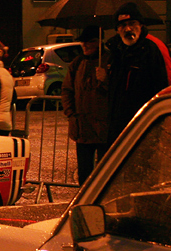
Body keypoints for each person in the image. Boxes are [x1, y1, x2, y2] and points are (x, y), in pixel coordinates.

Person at [100, 2, 171, 145]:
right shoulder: (116, 52)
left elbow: (165, 87)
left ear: (141, 25)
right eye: (122, 25)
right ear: (117, 29)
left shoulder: (152, 50)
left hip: (143, 127)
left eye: (132, 23)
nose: (128, 29)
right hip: (118, 128)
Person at [62, 25, 110, 184]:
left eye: (90, 42)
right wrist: (71, 114)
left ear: (99, 42)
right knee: (84, 173)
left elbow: (117, 92)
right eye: (83, 42)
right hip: (82, 127)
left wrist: (105, 80)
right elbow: (67, 89)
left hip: (104, 129)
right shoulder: (77, 63)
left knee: (105, 173)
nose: (85, 45)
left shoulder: (109, 60)